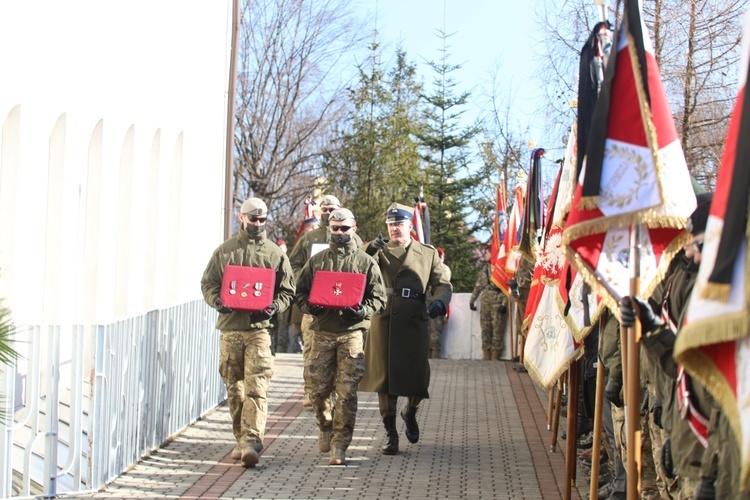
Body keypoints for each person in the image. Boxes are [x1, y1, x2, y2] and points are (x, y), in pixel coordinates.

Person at [200, 197, 295, 468]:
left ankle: (252, 441)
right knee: (235, 388)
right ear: (242, 218)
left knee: (257, 386)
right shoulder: (225, 251)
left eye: (262, 220)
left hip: (259, 330)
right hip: (231, 329)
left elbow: (288, 289)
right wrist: (215, 300)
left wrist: (275, 306)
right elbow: (208, 283)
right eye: (252, 219)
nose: (257, 224)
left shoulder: (274, 253)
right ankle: (241, 437)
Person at [359, 202, 452, 455]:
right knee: (384, 380)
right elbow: (356, 270)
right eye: (390, 224)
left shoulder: (427, 253)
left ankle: (410, 411)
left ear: (410, 226)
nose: (394, 229)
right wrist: (369, 250)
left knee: (417, 377)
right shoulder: (377, 251)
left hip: (414, 320)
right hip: (384, 320)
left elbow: (442, 282)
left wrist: (440, 302)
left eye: (399, 224)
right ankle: (390, 433)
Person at [295, 208, 386, 465]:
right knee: (318, 389)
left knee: (347, 392)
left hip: (351, 334)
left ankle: (339, 445)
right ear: (329, 229)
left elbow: (379, 298)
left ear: (353, 229)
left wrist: (363, 310)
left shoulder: (365, 262)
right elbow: (299, 293)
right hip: (322, 331)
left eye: (345, 228)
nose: (340, 233)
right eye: (335, 228)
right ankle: (324, 424)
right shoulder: (317, 260)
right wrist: (309, 306)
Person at [288, 195, 363, 408]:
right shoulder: (309, 239)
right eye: (325, 209)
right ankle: (312, 392)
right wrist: (306, 279)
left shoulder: (352, 238)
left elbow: (362, 266)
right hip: (315, 306)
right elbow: (292, 265)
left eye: (333, 209)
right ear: (320, 212)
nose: (329, 213)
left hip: (342, 307)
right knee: (312, 351)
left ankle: (338, 394)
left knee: (342, 355)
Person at [469, 251, 508, 360]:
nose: (485, 254)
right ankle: (486, 354)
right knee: (485, 329)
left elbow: (505, 288)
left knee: (497, 330)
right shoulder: (484, 270)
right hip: (485, 302)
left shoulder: (500, 270)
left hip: (497, 301)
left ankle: (495, 355)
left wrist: (504, 304)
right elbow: (478, 287)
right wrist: (472, 300)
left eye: (487, 252)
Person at [427, 247, 451, 358]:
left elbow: (442, 285)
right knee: (426, 331)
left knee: (436, 330)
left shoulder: (444, 269)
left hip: (436, 302)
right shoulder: (428, 267)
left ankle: (435, 355)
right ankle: (426, 355)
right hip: (426, 302)